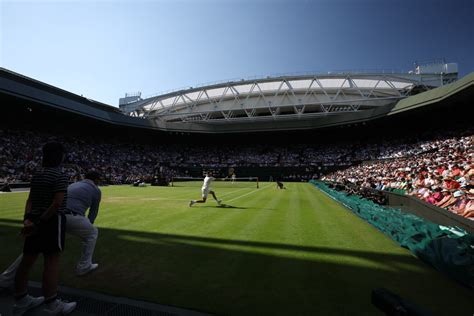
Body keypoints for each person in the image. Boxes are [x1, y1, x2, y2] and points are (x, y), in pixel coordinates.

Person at [0, 170, 102, 290]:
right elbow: (93, 213)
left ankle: (4, 280)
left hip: (53, 216)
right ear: (96, 180)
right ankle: (84, 266)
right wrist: (85, 226)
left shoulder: (74, 184)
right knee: (92, 233)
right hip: (70, 216)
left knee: (33, 249)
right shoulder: (96, 190)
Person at [12, 142, 77, 315]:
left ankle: (21, 300)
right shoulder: (60, 175)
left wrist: (27, 220)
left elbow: (30, 200)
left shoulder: (38, 174)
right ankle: (52, 304)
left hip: (33, 219)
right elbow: (57, 203)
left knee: (27, 261)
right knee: (51, 262)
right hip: (51, 222)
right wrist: (40, 222)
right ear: (60, 156)